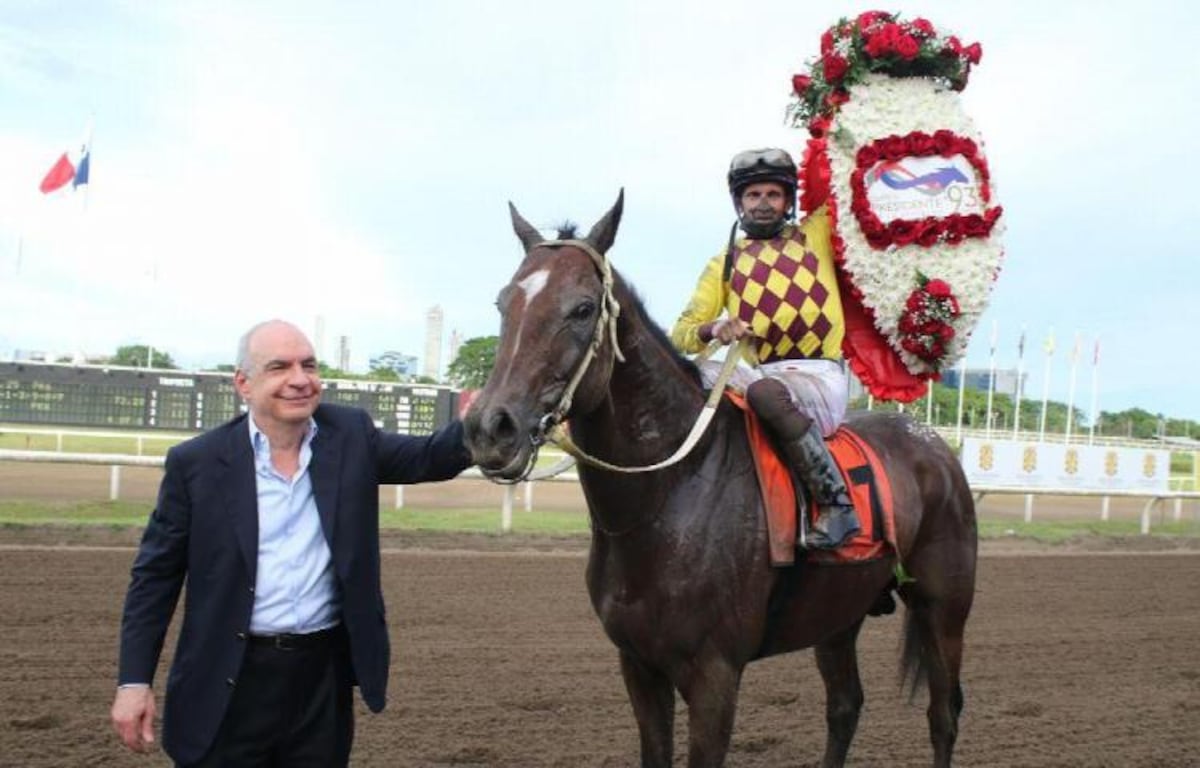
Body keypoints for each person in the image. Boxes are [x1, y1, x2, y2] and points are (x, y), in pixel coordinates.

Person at [110, 319, 473, 767]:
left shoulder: (352, 435)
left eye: (309, 365)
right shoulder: (196, 463)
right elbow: (154, 579)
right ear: (243, 383)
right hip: (227, 683)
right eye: (280, 367)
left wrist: (493, 414)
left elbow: (431, 456)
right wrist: (133, 681)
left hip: (320, 684)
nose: (300, 379)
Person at [670, 147, 859, 549]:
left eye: (773, 194)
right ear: (739, 202)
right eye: (753, 195)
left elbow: (845, 177)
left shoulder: (817, 234)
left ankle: (835, 502)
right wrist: (715, 327)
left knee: (765, 393)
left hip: (817, 377)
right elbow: (680, 335)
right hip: (758, 375)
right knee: (682, 377)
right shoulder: (724, 264)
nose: (763, 203)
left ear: (789, 201)